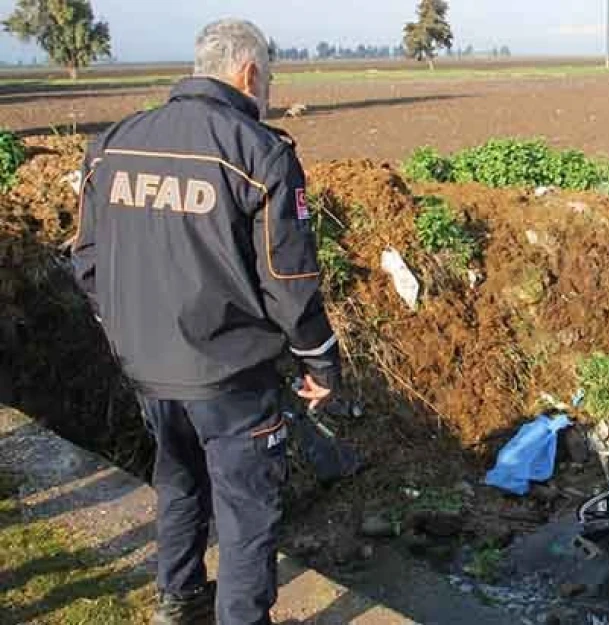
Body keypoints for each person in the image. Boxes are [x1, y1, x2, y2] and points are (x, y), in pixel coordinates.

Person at [71, 19, 340, 625]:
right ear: (249, 74)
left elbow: (86, 260)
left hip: (147, 369)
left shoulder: (113, 143)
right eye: (268, 77)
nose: (268, 89)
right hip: (231, 377)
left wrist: (127, 331)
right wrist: (319, 360)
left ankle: (180, 599)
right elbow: (289, 282)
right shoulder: (260, 153)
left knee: (179, 480)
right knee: (247, 511)